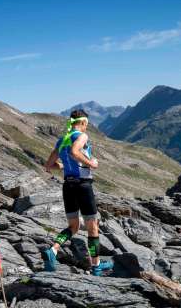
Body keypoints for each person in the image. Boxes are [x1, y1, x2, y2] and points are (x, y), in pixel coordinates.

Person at [41, 109, 113, 276]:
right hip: (83, 185)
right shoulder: (81, 136)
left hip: (68, 186)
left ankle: (53, 249)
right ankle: (96, 266)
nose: (87, 127)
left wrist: (66, 166)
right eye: (86, 124)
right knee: (92, 227)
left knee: (73, 227)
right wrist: (92, 163)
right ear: (82, 123)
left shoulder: (61, 140)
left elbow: (48, 166)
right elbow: (75, 152)